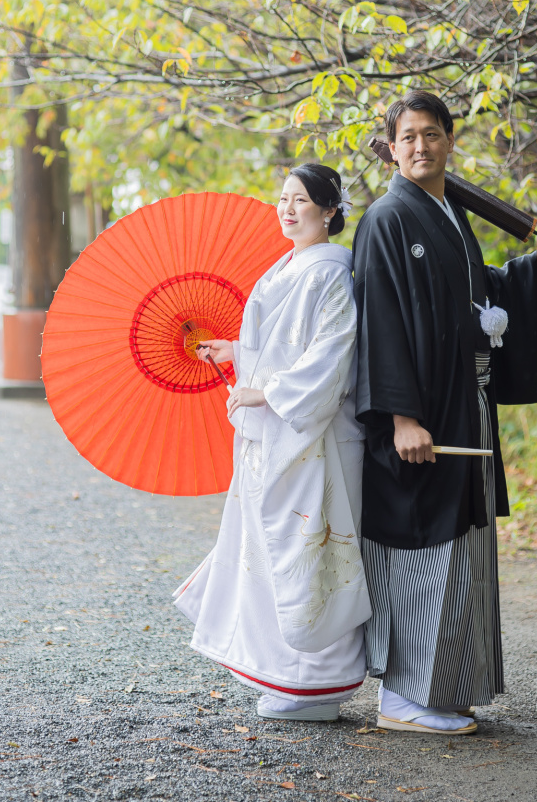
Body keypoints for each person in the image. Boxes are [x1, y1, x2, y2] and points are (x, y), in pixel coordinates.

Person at [353, 90, 537, 736]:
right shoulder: (387, 220)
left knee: (463, 549)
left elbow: (477, 294)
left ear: (450, 140)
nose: (420, 146)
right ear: (391, 149)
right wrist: (400, 418)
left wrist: (534, 269)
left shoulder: (448, 214)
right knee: (425, 546)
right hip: (424, 411)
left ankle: (444, 688)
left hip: (464, 401)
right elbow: (382, 324)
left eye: (431, 134)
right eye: (408, 138)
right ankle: (403, 697)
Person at [173, 164, 371, 721]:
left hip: (316, 437)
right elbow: (287, 348)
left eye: (301, 200)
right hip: (281, 432)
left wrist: (269, 392)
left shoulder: (333, 272)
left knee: (312, 550)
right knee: (273, 549)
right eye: (282, 199)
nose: (287, 209)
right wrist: (238, 354)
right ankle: (284, 677)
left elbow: (332, 355)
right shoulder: (285, 268)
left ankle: (320, 683)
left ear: (330, 211)